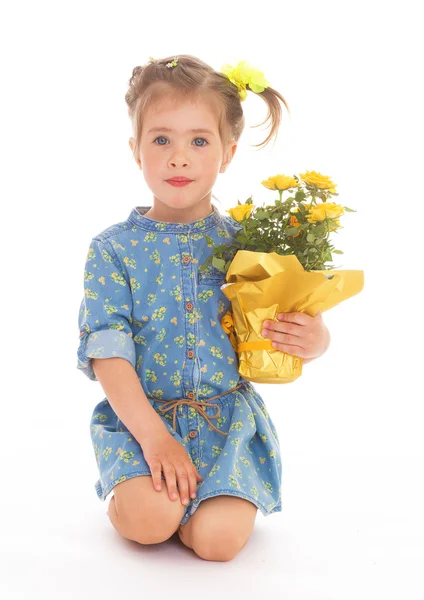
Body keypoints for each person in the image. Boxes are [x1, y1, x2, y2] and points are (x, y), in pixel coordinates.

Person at [76, 54, 331, 562]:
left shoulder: (249, 244)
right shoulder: (113, 249)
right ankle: (136, 499)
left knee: (217, 545)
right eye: (161, 139)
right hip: (142, 423)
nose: (178, 158)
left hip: (226, 425)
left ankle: (205, 500)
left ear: (228, 151)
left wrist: (315, 337)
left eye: (199, 140)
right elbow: (107, 351)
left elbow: (280, 326)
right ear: (135, 149)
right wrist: (155, 441)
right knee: (150, 524)